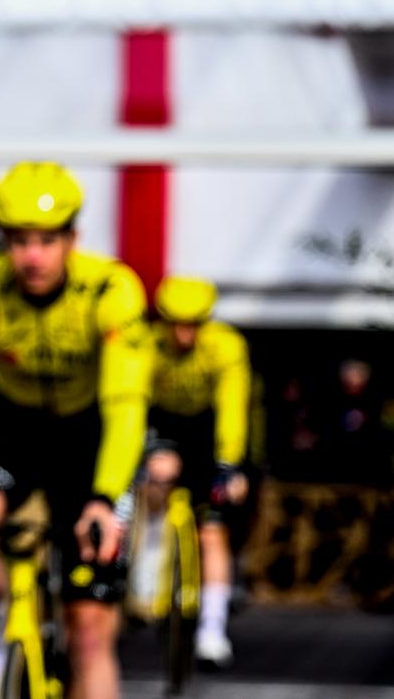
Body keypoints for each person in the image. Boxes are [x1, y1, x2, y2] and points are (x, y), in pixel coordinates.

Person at [0, 163, 152, 699]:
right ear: (3, 241)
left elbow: (125, 405)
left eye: (47, 241)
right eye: (19, 241)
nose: (32, 256)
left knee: (89, 633)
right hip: (15, 426)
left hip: (90, 435)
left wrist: (105, 498)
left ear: (73, 238)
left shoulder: (111, 289)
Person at [140, 276, 252, 669]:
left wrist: (229, 465)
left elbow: (233, 406)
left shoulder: (226, 346)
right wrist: (148, 450)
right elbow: (134, 400)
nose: (184, 334)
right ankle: (148, 572)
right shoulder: (147, 344)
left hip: (208, 430)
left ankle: (212, 629)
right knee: (153, 484)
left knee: (213, 531)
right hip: (164, 425)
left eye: (194, 324)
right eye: (176, 324)